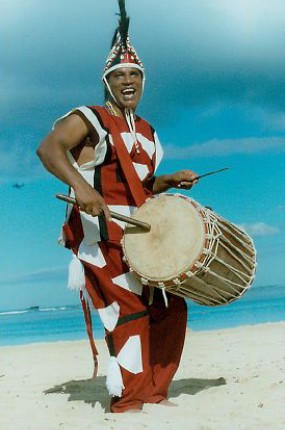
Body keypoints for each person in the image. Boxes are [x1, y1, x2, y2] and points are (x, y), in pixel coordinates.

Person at [37, 0, 198, 413]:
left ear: (143, 81)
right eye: (119, 75)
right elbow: (49, 148)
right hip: (100, 239)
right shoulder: (89, 118)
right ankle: (127, 401)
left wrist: (167, 180)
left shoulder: (148, 132)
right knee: (127, 311)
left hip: (138, 240)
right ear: (107, 82)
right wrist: (81, 187)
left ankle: (153, 391)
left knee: (169, 307)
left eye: (134, 75)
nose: (128, 81)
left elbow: (141, 185)